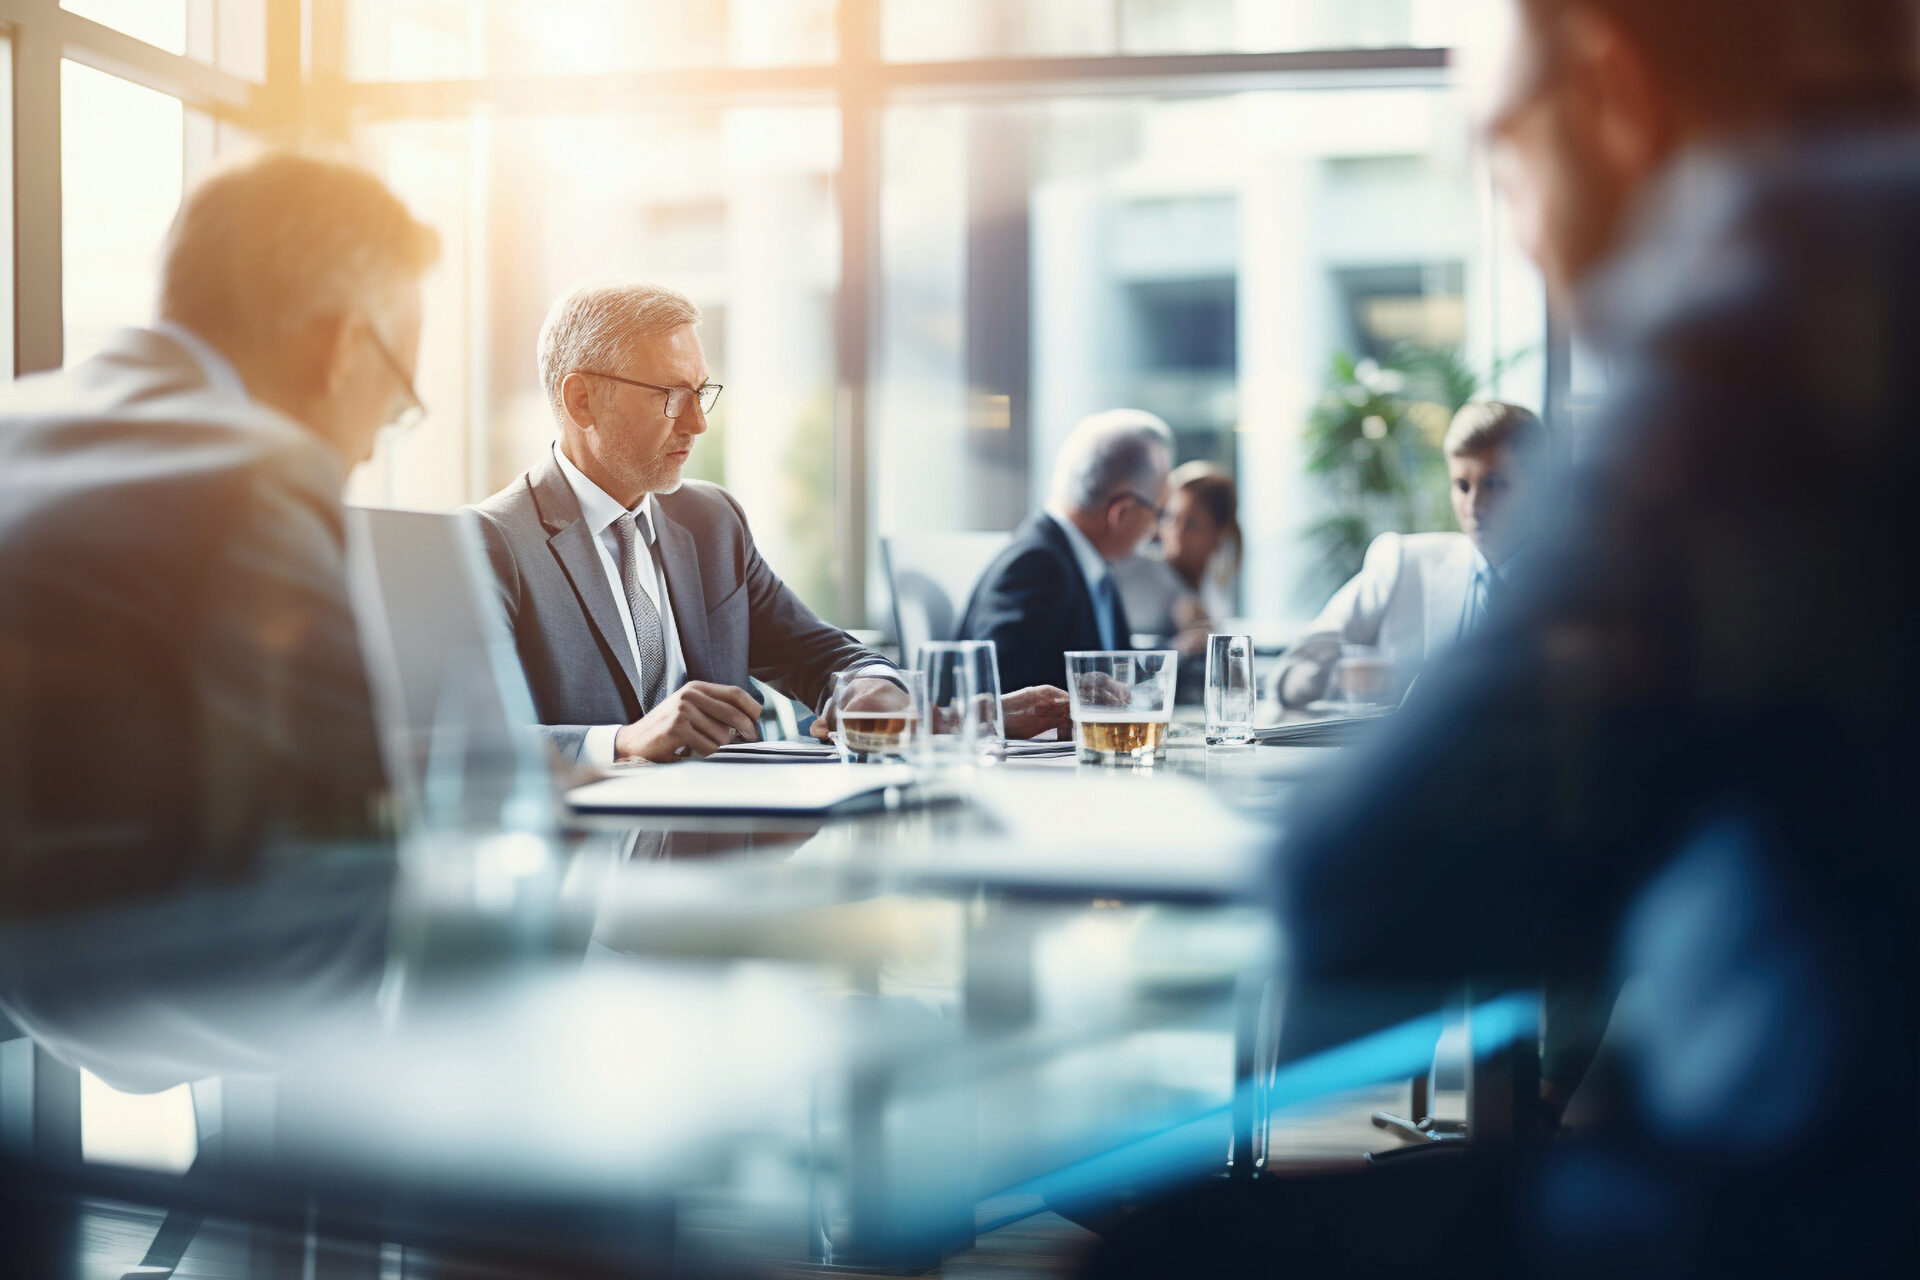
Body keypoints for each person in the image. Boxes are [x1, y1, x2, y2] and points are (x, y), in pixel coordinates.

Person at [1085, 0, 1920, 1276]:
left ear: (1615, 95)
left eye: (1504, 153)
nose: (1518, 214)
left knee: (1170, 1249)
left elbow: (1367, 884)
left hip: (1814, 1191)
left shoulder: (1757, 313)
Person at [0, 150, 439, 915]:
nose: (370, 448)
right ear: (340, 349)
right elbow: (351, 848)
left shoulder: (20, 418)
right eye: (395, 401)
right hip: (184, 993)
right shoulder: (259, 470)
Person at [1273, 401, 1549, 709]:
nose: (1473, 506)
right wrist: (1338, 676)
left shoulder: (1579, 590)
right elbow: (1290, 675)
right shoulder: (1404, 565)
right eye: (1461, 485)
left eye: (1493, 484)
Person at [958, 410, 1174, 693]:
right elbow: (990, 697)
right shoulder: (1036, 567)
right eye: (1159, 513)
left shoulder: (1092, 565)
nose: (1158, 531)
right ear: (1121, 512)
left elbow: (1118, 673)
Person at [1111, 461, 1241, 654]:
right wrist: (1178, 647)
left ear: (1219, 532)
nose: (1175, 534)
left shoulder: (1213, 585)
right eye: (1170, 518)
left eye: (1190, 524)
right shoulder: (1129, 570)